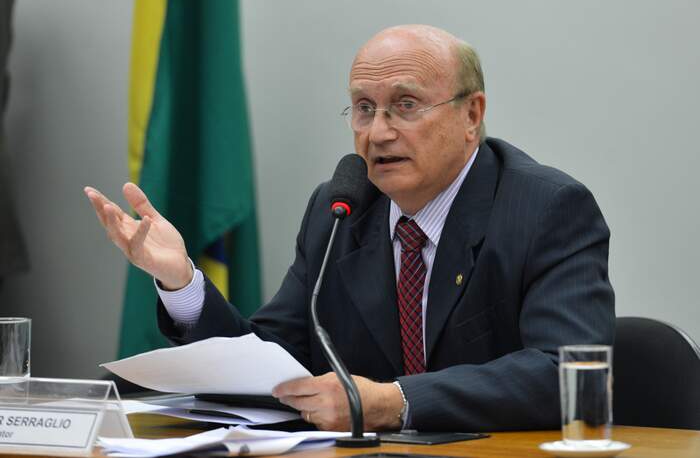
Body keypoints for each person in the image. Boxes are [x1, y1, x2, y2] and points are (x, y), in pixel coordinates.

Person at [85, 25, 614, 432]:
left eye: (405, 105)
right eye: (364, 108)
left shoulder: (546, 208)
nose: (378, 132)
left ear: (471, 115)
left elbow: (565, 371)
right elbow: (271, 361)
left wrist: (394, 401)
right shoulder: (339, 209)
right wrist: (181, 283)